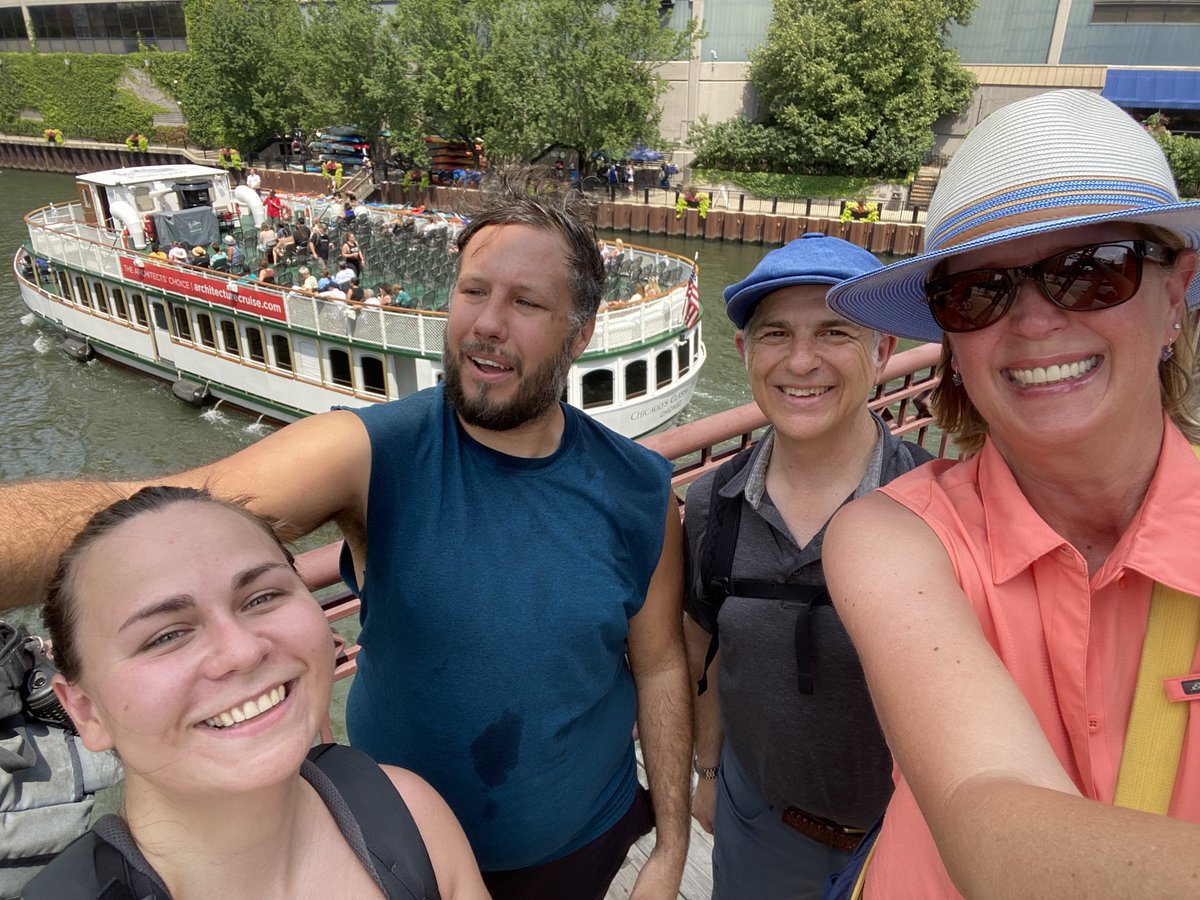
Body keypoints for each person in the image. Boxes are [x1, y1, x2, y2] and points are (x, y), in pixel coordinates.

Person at [0, 182, 692, 900]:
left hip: (581, 847)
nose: (487, 323)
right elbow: (153, 515)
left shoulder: (640, 486)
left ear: (579, 334)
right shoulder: (371, 453)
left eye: (526, 303)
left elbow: (662, 665)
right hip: (395, 855)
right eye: (472, 291)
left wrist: (671, 847)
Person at [822, 89, 1200, 898]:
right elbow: (989, 819)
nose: (1032, 323)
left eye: (1091, 271)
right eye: (981, 290)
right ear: (952, 339)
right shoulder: (892, 534)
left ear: (1176, 295)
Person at [23, 486, 487, 900]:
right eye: (165, 635)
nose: (243, 652)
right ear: (86, 712)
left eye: (261, 598)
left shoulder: (410, 812)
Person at [683, 235, 929, 900]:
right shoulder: (714, 506)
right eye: (776, 334)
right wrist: (708, 773)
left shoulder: (939, 507)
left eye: (834, 333)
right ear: (744, 353)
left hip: (907, 834)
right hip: (760, 823)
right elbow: (703, 655)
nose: (800, 360)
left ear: (883, 352)